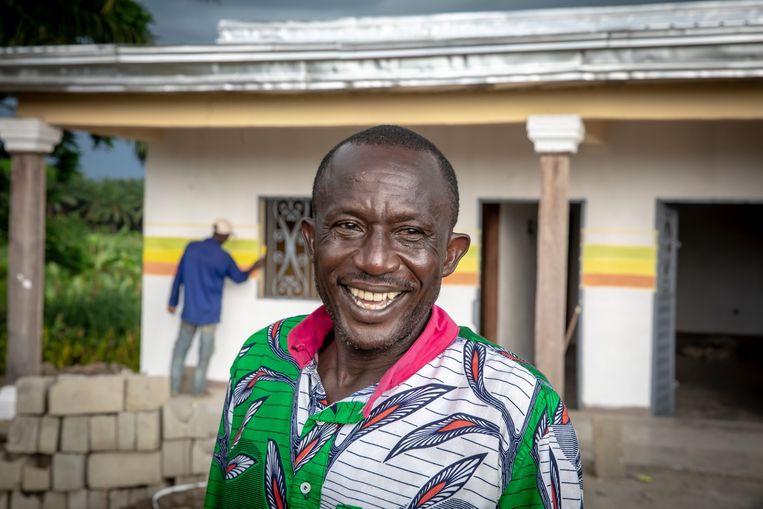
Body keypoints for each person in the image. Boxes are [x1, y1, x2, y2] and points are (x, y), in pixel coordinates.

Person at [204, 126, 583, 508]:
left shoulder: (521, 410)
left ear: (449, 255)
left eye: (411, 233)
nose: (375, 260)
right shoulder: (261, 358)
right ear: (312, 239)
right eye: (349, 226)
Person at [168, 218, 264, 396]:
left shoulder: (191, 248)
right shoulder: (223, 258)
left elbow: (179, 276)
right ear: (224, 236)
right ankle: (197, 392)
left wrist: (172, 302)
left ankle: (173, 389)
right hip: (209, 316)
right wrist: (254, 266)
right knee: (204, 355)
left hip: (189, 311)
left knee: (180, 349)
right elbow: (239, 278)